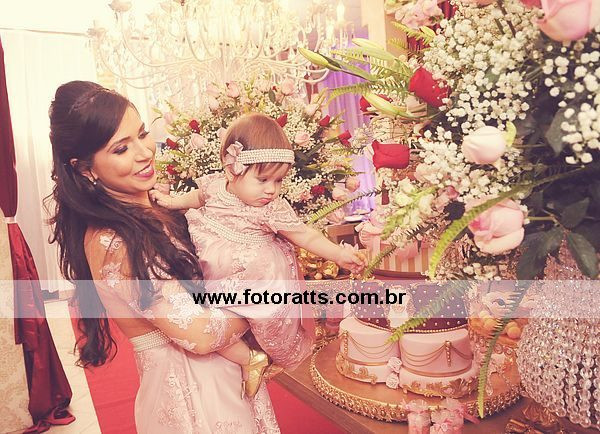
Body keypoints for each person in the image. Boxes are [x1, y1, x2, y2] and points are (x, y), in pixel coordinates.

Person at [48, 81, 282, 433]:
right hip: (193, 397)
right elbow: (201, 334)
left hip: (219, 379)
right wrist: (267, 302)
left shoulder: (150, 210)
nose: (145, 152)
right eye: (121, 148)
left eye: (142, 134)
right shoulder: (114, 242)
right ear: (85, 169)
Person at [150, 113, 368, 396]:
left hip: (252, 275)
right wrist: (171, 202)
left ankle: (258, 353)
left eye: (278, 181)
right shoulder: (215, 186)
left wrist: (338, 254)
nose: (271, 190)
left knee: (248, 317)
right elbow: (196, 198)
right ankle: (250, 359)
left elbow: (305, 235)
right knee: (208, 318)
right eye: (263, 179)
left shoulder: (270, 209)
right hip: (212, 265)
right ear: (231, 169)